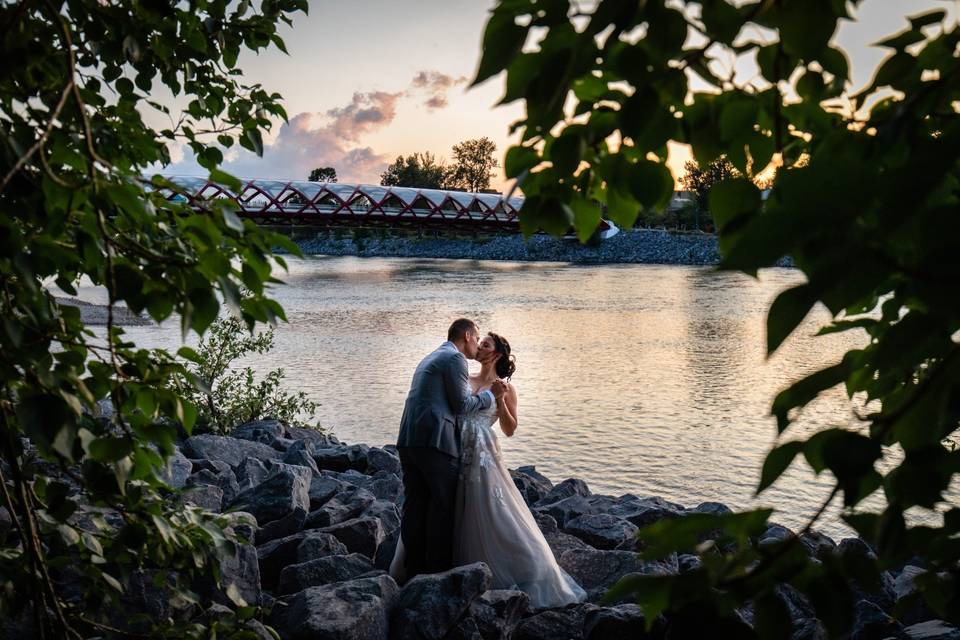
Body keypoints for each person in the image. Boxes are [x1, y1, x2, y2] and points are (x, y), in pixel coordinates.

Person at [454, 331, 587, 608]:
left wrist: (499, 399)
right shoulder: (464, 378)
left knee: (491, 508)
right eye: (479, 343)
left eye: (485, 344)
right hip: (456, 446)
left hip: (483, 453)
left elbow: (510, 429)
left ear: (498, 354)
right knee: (458, 506)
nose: (479, 347)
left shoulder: (505, 387)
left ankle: (518, 568)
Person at [395, 318, 507, 580]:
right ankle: (435, 573)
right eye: (477, 339)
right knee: (443, 507)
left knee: (415, 505)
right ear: (467, 335)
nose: (477, 346)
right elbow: (462, 405)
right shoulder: (455, 359)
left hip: (410, 438)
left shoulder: (433, 355)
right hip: (435, 442)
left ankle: (413, 569)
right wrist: (491, 396)